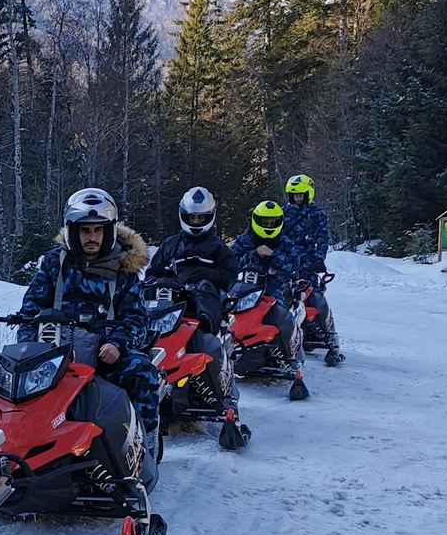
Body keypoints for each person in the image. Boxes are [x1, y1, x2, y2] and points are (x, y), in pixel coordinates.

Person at [17, 188, 159, 436]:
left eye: (98, 230)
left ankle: (143, 443)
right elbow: (30, 312)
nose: (91, 237)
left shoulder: (124, 268)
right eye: (85, 230)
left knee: (141, 371)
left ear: (109, 230)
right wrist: (29, 349)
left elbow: (137, 319)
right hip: (57, 353)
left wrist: (117, 343)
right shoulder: (55, 264)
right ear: (72, 230)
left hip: (106, 354)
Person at [146, 186, 238, 399]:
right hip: (170, 307)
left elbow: (231, 275)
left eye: (200, 218)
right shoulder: (171, 245)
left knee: (207, 341)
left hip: (205, 306)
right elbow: (152, 273)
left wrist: (205, 277)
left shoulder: (218, 247)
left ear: (210, 217)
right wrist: (165, 281)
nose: (196, 223)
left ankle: (224, 394)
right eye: (191, 218)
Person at [230, 201, 309, 401]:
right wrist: (254, 255)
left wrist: (274, 256)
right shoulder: (244, 240)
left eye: (273, 221)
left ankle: (292, 356)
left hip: (275, 286)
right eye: (265, 221)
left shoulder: (285, 242)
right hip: (244, 286)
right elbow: (229, 263)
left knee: (280, 314)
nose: (269, 225)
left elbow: (294, 265)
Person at [283, 173, 344, 366]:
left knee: (316, 299)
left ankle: (332, 341)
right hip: (285, 264)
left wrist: (318, 259)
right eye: (293, 195)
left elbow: (322, 239)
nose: (296, 199)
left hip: (308, 265)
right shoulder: (283, 213)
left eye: (300, 195)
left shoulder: (317, 214)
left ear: (308, 194)